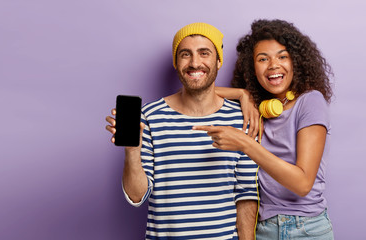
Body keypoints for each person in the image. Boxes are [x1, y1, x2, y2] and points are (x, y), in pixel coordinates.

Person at [106, 23, 259, 239]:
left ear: (218, 61)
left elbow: (246, 196)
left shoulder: (242, 119)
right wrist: (132, 151)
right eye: (185, 54)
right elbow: (137, 196)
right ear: (176, 63)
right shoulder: (150, 117)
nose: (195, 62)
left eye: (204, 53)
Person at [194, 19, 334, 239]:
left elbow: (303, 183)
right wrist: (242, 94)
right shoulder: (259, 110)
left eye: (282, 56)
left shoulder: (311, 102)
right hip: (264, 229)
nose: (273, 65)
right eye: (262, 59)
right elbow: (197, 91)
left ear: (296, 61)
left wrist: (245, 144)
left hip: (307, 228)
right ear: (252, 68)